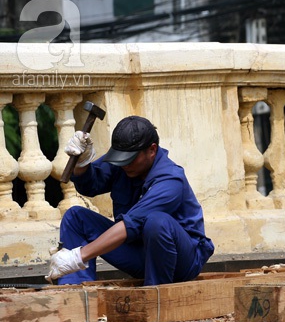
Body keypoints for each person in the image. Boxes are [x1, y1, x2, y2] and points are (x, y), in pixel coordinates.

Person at [46, 116, 215, 286]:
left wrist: (77, 257)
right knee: (75, 217)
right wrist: (82, 163)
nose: (125, 164)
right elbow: (90, 186)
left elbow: (132, 224)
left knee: (157, 222)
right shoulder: (123, 164)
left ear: (152, 150)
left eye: (130, 159)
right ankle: (75, 290)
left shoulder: (170, 179)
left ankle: (154, 294)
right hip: (140, 255)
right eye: (121, 158)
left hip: (181, 263)